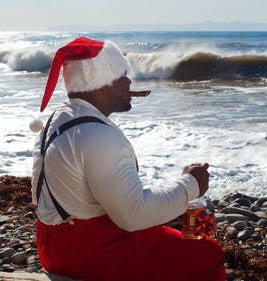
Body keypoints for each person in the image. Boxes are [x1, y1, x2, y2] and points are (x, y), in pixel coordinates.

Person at [30, 37, 225, 281]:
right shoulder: (98, 136)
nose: (129, 81)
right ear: (101, 84)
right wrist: (190, 184)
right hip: (87, 253)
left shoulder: (60, 117)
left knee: (170, 230)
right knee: (207, 254)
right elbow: (133, 215)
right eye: (122, 74)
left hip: (53, 243)